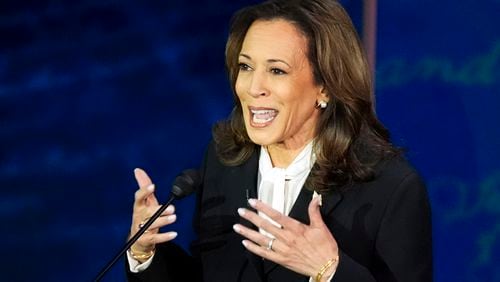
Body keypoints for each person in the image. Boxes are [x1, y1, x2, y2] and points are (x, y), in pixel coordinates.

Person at [125, 0, 432, 281]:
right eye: (246, 67)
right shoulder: (225, 160)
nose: (253, 87)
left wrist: (330, 270)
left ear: (325, 86)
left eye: (276, 70)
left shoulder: (390, 187)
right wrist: (144, 252)